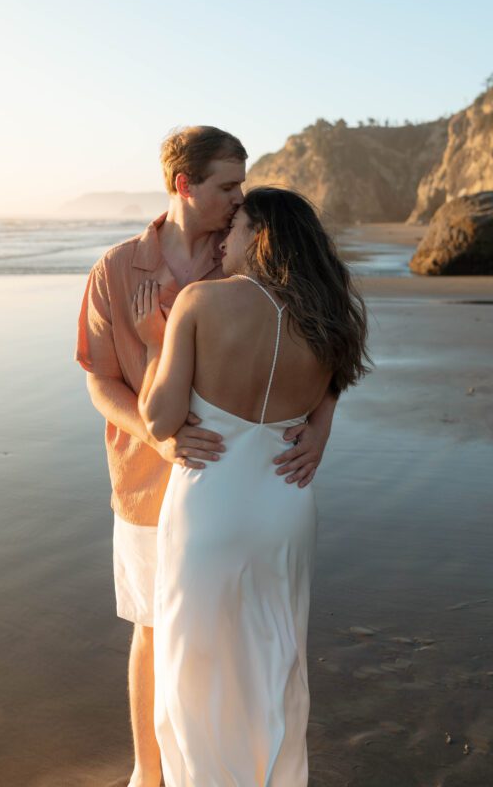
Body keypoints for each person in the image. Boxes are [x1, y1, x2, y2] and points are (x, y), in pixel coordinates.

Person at [75, 127, 340, 787]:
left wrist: (322, 425)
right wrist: (156, 434)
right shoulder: (115, 270)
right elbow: (99, 379)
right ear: (184, 186)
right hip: (146, 482)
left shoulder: (246, 262)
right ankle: (151, 770)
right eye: (227, 186)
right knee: (155, 629)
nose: (237, 197)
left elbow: (314, 352)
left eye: (241, 189)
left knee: (231, 642)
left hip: (228, 486)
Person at [133, 186, 371, 787]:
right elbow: (333, 384)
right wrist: (321, 426)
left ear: (260, 237)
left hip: (210, 503)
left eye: (235, 228)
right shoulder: (329, 313)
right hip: (285, 500)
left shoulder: (199, 303)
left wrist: (155, 338)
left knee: (193, 662)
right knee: (274, 657)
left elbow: (159, 420)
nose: (223, 241)